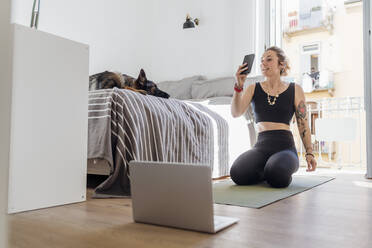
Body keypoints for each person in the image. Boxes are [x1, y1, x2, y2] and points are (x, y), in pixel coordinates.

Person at [230, 46, 317, 188]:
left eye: (269, 59)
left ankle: (273, 169)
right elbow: (236, 113)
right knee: (237, 173)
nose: (263, 63)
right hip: (261, 147)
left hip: (285, 148)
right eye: (262, 61)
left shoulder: (295, 89)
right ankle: (267, 170)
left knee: (277, 174)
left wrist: (309, 153)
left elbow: (303, 124)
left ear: (281, 64)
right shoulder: (253, 88)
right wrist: (239, 85)